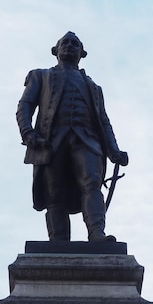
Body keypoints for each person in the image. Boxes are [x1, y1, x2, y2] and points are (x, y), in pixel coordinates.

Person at [16, 31, 128, 242]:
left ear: (82, 53)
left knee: (92, 184)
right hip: (50, 142)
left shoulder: (94, 87)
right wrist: (28, 133)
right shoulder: (40, 75)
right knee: (54, 193)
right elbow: (25, 105)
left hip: (86, 140)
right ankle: (58, 241)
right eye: (64, 43)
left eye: (75, 44)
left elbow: (103, 121)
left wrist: (114, 151)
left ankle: (97, 234)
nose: (69, 46)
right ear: (55, 50)